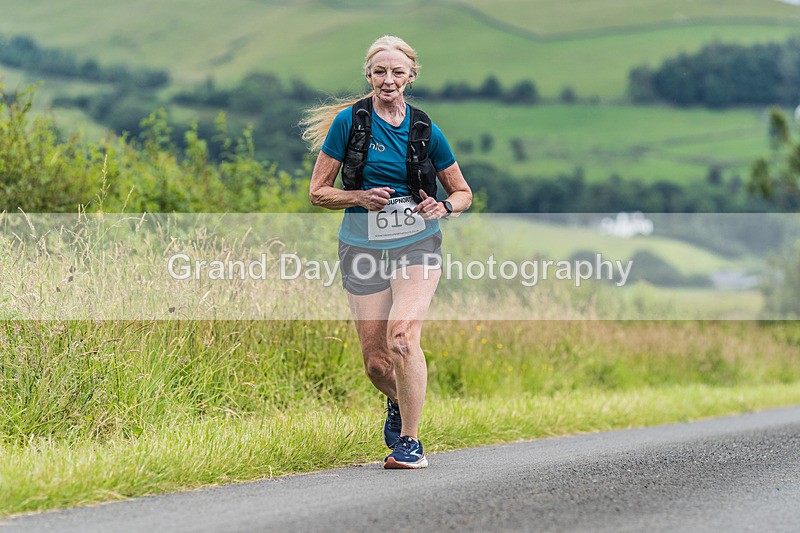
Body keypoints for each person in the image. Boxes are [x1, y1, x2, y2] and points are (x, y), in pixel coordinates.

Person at [302, 35, 471, 469]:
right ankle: (400, 400)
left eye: (397, 72)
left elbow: (463, 193)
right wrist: (359, 198)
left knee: (402, 336)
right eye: (380, 72)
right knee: (377, 364)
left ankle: (410, 443)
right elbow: (318, 192)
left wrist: (444, 207)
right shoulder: (350, 123)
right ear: (369, 75)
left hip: (417, 242)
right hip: (361, 246)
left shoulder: (424, 130)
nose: (388, 79)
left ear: (411, 76)